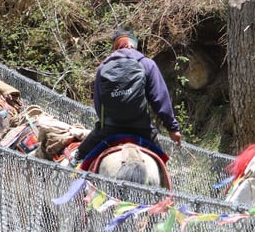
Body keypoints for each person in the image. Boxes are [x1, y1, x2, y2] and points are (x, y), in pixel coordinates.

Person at [71, 29, 181, 166]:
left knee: (82, 157)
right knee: (161, 164)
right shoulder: (147, 64)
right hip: (142, 128)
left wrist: (106, 122)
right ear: (134, 44)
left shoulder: (104, 66)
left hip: (110, 128)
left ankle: (75, 160)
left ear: (116, 46)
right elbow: (160, 99)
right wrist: (173, 128)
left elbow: (99, 104)